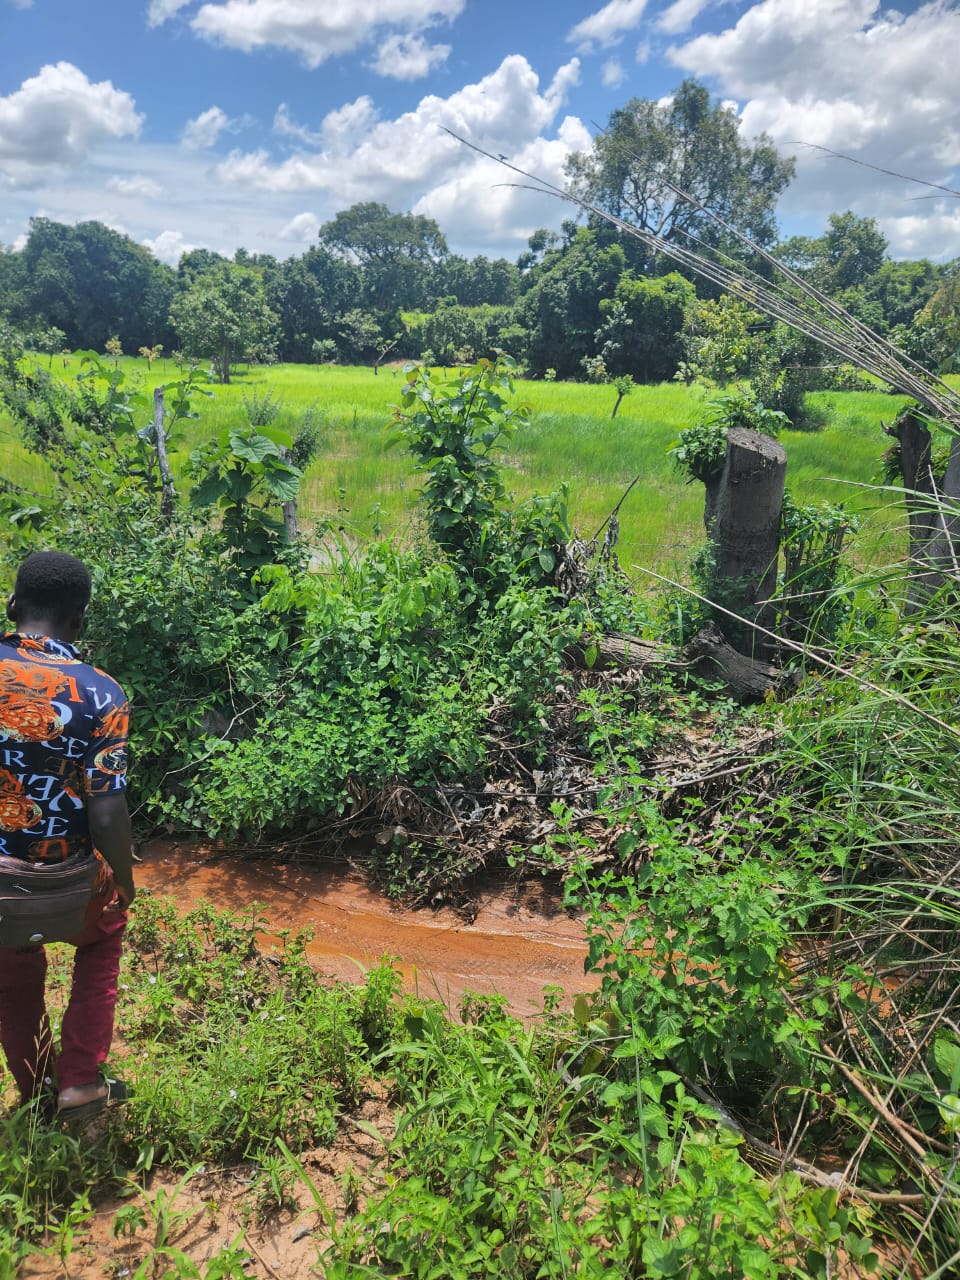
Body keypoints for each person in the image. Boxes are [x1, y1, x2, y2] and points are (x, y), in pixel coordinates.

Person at [0, 550, 135, 1124]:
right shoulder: (103, 694)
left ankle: (34, 1089)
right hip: (70, 879)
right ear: (78, 622)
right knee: (103, 940)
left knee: (13, 968)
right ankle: (79, 1083)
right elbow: (106, 814)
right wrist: (125, 881)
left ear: (11, 605)